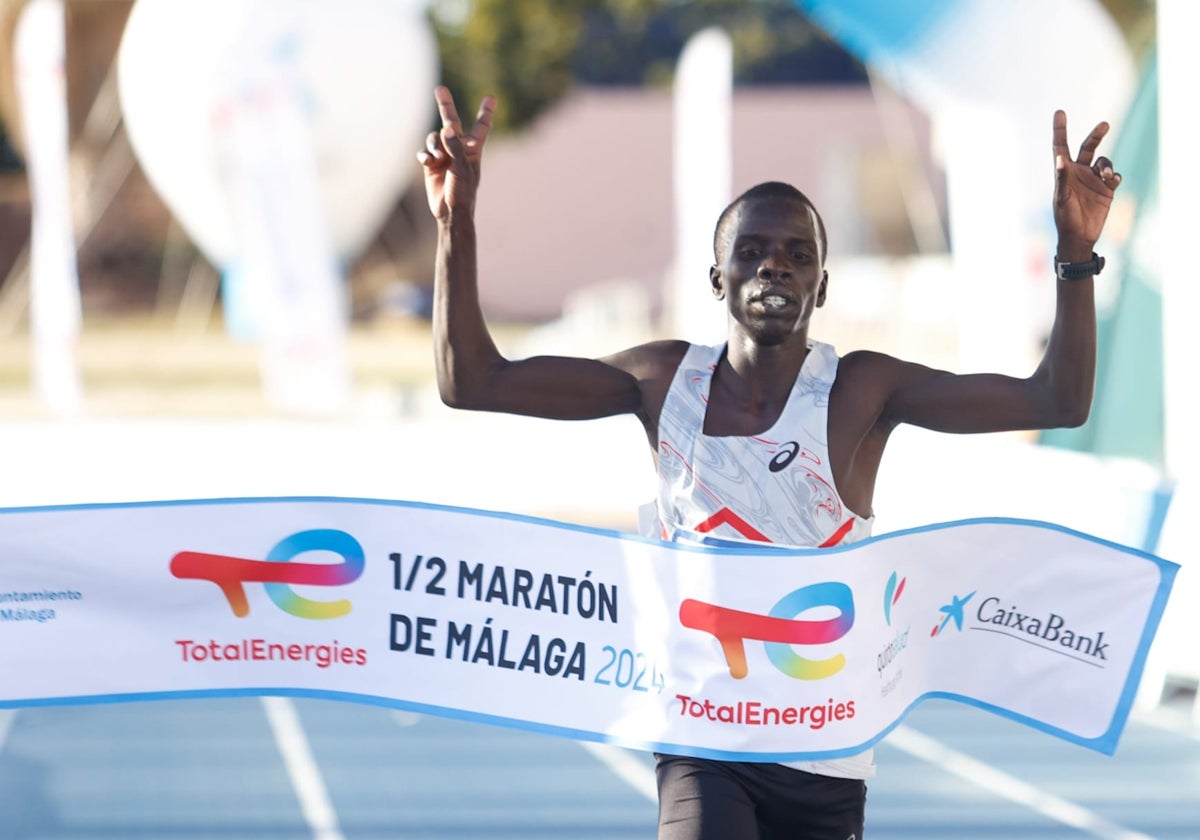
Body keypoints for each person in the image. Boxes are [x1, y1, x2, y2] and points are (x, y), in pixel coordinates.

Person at [417, 85, 1121, 840]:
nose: (773, 267)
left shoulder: (861, 391)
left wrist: (1075, 255)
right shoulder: (660, 383)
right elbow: (474, 382)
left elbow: (1056, 401)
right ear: (719, 280)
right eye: (750, 252)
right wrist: (457, 222)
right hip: (703, 740)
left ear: (822, 282)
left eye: (797, 254)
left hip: (824, 750)